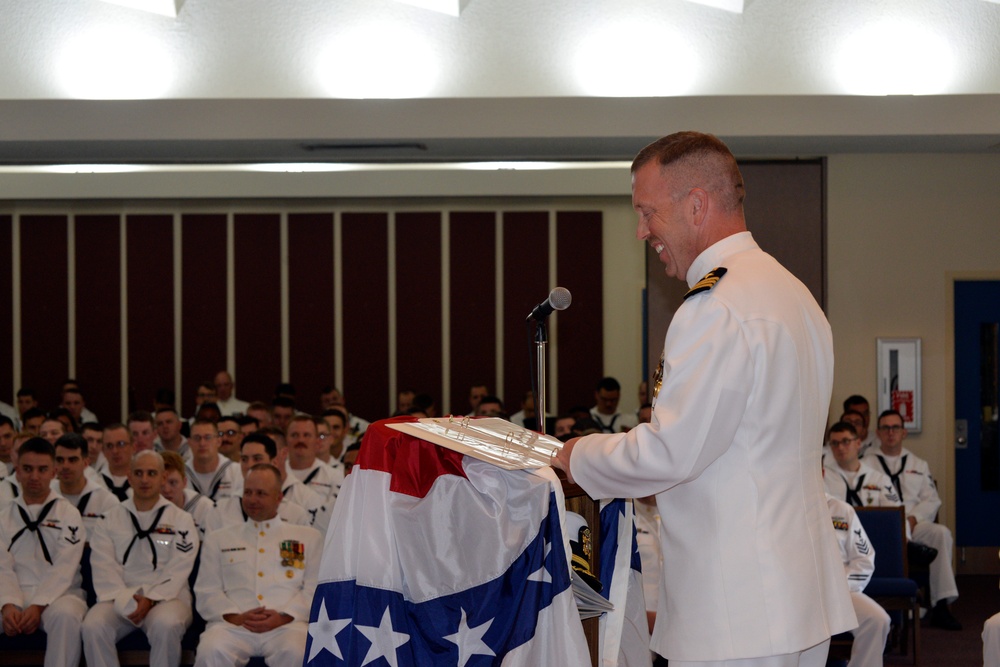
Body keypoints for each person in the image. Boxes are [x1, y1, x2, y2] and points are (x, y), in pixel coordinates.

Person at [552, 131, 855, 665]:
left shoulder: (714, 306)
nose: (642, 231)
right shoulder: (793, 292)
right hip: (799, 598)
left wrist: (575, 455)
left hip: (737, 611)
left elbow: (672, 453)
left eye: (647, 213)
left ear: (696, 204)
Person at [194, 464, 321, 667]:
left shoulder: (308, 538)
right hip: (233, 625)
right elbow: (206, 590)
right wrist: (236, 616)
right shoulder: (219, 538)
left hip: (288, 625)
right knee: (211, 650)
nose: (252, 500)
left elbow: (313, 589)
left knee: (298, 651)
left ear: (279, 498)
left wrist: (283, 617)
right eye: (248, 492)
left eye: (261, 493)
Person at [82, 450, 199, 667]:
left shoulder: (181, 520)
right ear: (129, 476)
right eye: (139, 473)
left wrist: (152, 598)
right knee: (93, 625)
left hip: (169, 598)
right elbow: (103, 564)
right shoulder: (109, 519)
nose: (145, 479)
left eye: (152, 473)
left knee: (166, 625)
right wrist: (127, 599)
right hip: (120, 595)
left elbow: (179, 566)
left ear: (163, 477)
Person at [863, 409, 962, 630]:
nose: (890, 433)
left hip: (913, 524)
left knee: (941, 534)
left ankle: (941, 605)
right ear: (878, 433)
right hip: (883, 526)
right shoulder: (866, 464)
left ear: (904, 433)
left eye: (895, 428)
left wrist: (914, 519)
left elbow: (932, 499)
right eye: (885, 428)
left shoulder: (918, 464)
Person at [0, 438, 88, 667]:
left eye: (42, 469)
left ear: (54, 472)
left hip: (60, 595)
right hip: (14, 593)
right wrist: (8, 603)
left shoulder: (69, 514)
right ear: (17, 471)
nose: (34, 477)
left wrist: (39, 604)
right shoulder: (3, 515)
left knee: (66, 616)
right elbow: (1, 565)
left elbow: (65, 567)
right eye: (27, 469)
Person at [826, 494, 890, 667]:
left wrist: (838, 588)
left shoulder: (841, 510)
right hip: (796, 595)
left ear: (823, 473)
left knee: (877, 620)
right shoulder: (782, 508)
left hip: (841, 590)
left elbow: (864, 560)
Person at [822, 421, 901, 508]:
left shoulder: (879, 479)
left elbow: (894, 513)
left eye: (846, 441)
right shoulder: (822, 478)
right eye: (835, 443)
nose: (840, 447)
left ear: (858, 443)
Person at [53, 433, 119, 531]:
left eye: (72, 460)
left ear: (86, 463)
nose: (65, 466)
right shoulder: (44, 494)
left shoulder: (106, 501)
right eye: (60, 460)